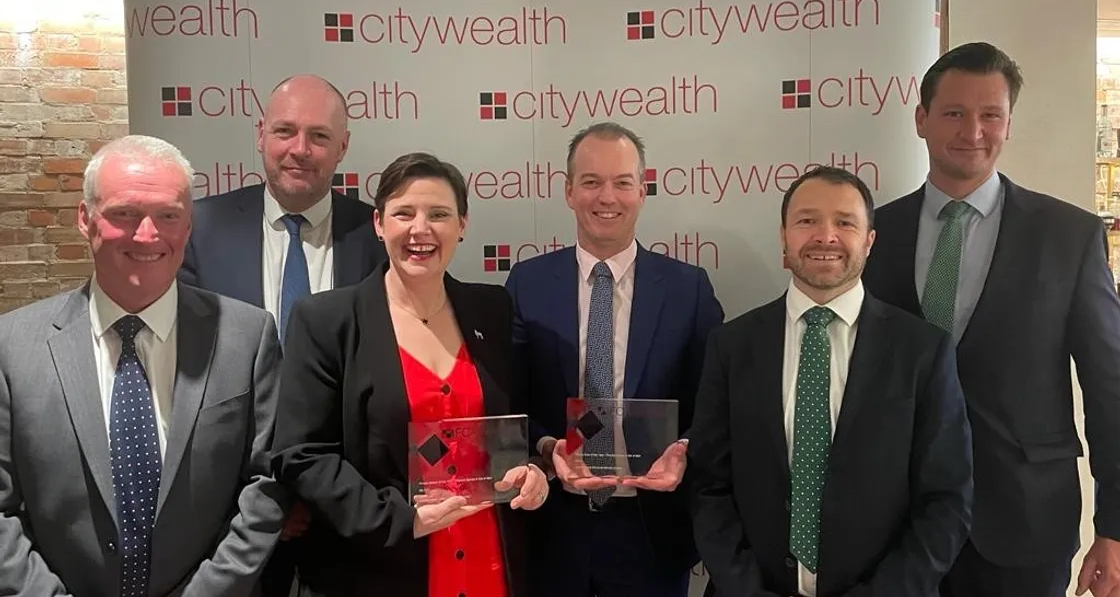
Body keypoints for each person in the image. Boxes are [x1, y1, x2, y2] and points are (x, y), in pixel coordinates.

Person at [862, 41, 1120, 597]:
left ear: (1009, 123)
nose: (972, 131)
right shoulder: (870, 237)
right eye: (954, 112)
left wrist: (1115, 527)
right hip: (890, 525)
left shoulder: (1068, 236)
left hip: (1023, 522)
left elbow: (1110, 388)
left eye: (991, 115)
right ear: (922, 119)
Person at [0, 135, 286, 595]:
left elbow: (266, 486)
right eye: (125, 214)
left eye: (168, 216)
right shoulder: (11, 347)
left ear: (188, 225)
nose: (147, 234)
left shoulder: (246, 337)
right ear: (84, 218)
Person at [270, 152, 549, 596]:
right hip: (379, 567)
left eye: (439, 214)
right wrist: (402, 519)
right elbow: (302, 455)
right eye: (404, 213)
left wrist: (531, 471)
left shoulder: (491, 309)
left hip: (490, 566)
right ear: (379, 224)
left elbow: (509, 423)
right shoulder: (327, 321)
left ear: (462, 224)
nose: (421, 229)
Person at [688, 167, 973, 597]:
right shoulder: (732, 346)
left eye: (845, 222)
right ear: (784, 237)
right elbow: (708, 486)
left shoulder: (923, 352)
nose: (826, 236)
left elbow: (946, 500)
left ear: (869, 240)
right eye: (807, 221)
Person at [176, 73, 385, 594]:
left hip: (346, 520)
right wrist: (263, 497)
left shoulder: (380, 235)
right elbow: (184, 381)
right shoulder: (199, 229)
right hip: (227, 522)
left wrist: (321, 493)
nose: (300, 149)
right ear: (260, 133)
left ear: (343, 146)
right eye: (285, 131)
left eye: (318, 136)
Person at [504, 121, 725, 597]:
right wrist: (546, 448)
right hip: (552, 527)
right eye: (591, 182)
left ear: (641, 191)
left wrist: (683, 449)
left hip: (652, 531)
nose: (608, 197)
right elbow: (510, 396)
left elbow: (716, 401)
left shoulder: (688, 290)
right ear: (567, 191)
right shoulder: (528, 284)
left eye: (622, 183)